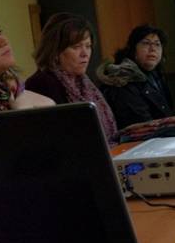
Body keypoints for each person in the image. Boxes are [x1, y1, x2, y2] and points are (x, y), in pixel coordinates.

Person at [25, 13, 118, 144]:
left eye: (88, 46)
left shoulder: (84, 82)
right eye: (76, 47)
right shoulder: (42, 83)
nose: (85, 54)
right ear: (55, 50)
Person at [97, 25, 174, 128]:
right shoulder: (124, 77)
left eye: (157, 44)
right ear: (133, 49)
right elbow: (142, 125)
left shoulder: (156, 74)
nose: (153, 49)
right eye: (146, 43)